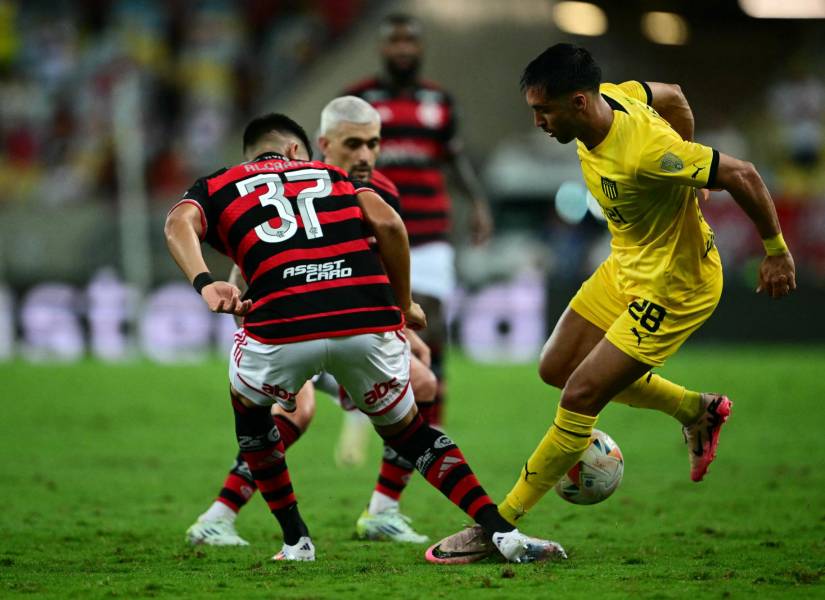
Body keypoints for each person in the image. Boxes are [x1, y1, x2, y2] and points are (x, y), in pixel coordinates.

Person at [426, 43, 796, 563]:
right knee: (556, 366)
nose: (537, 121)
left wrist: (776, 251)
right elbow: (675, 95)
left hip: (675, 285)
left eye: (543, 110)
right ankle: (698, 410)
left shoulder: (644, 150)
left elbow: (744, 174)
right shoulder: (616, 97)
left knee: (580, 396)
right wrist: (685, 160)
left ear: (578, 102)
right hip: (626, 264)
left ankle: (498, 526)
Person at [165, 112, 565, 562]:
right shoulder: (335, 177)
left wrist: (204, 283)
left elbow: (178, 223)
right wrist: (404, 303)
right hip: (362, 322)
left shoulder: (220, 184)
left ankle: (297, 540)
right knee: (414, 433)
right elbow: (390, 225)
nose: (365, 154)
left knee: (253, 418)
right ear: (302, 150)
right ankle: (499, 532)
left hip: (282, 326)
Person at [185, 97, 439, 547]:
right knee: (297, 411)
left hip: (345, 325)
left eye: (374, 144)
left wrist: (397, 324)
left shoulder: (379, 192)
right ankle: (217, 517)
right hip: (287, 327)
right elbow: (246, 268)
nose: (364, 155)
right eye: (352, 144)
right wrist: (243, 311)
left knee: (423, 386)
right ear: (321, 145)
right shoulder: (288, 184)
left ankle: (383, 510)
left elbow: (376, 268)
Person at [344, 13, 494, 429]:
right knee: (374, 325)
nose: (403, 49)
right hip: (370, 233)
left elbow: (455, 159)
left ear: (421, 47)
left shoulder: (438, 102)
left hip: (428, 234)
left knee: (432, 322)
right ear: (381, 47)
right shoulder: (358, 102)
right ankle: (368, 397)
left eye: (410, 41)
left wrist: (478, 203)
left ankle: (432, 423)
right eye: (395, 42)